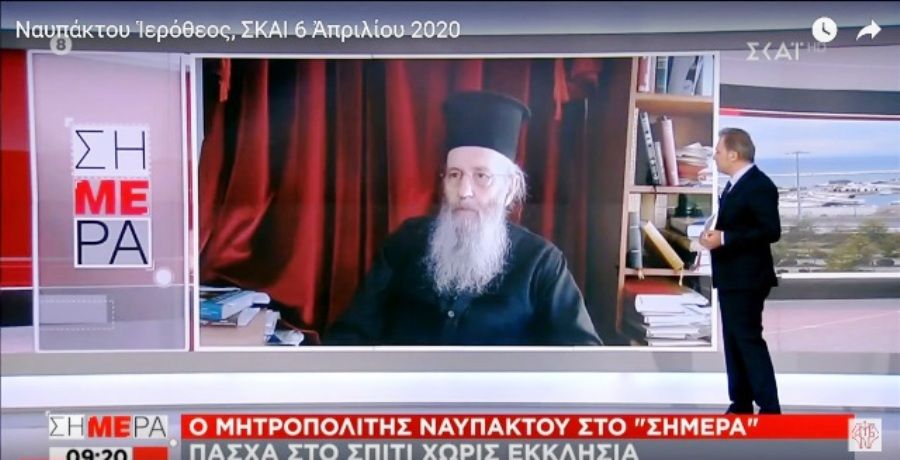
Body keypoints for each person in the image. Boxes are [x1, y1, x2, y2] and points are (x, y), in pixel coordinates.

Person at [324, 91, 602, 346]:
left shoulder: (541, 262)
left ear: (509, 190)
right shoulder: (406, 243)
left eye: (482, 176)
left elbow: (583, 356)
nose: (464, 191)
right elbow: (349, 334)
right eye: (455, 175)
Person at [700, 127, 782, 414]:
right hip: (731, 277)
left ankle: (769, 409)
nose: (715, 157)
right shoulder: (734, 185)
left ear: (734, 154)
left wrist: (724, 238)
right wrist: (715, 237)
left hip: (748, 278)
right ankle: (741, 403)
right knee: (734, 342)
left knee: (747, 341)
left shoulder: (759, 185)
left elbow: (770, 230)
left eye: (718, 151)